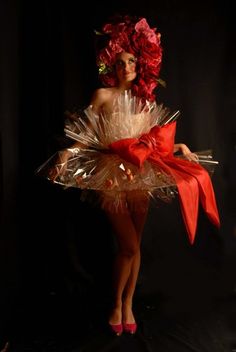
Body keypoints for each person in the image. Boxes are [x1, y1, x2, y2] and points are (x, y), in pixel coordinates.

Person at [37, 15, 220, 336]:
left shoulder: (144, 100)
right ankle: (115, 305)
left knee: (134, 246)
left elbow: (152, 143)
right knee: (129, 246)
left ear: (140, 65)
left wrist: (182, 145)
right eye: (120, 63)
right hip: (111, 175)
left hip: (140, 173)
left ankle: (128, 303)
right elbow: (89, 135)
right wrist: (68, 152)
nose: (125, 67)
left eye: (131, 61)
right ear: (112, 65)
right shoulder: (101, 95)